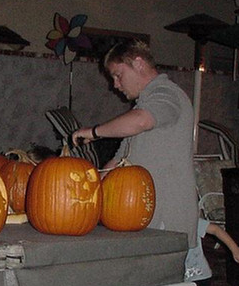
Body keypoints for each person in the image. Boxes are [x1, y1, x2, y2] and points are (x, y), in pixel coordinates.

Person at [71, 38, 198, 249]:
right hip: (143, 218)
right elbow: (119, 162)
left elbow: (142, 121)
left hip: (167, 219)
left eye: (118, 75)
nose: (115, 85)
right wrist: (83, 192)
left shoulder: (167, 94)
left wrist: (95, 132)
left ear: (138, 64)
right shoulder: (145, 104)